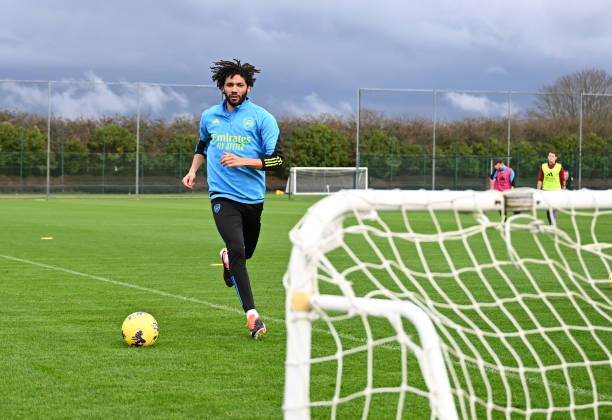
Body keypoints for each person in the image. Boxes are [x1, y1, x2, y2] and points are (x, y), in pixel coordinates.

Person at [182, 59, 283, 339]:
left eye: (240, 84)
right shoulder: (209, 117)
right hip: (221, 195)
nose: (235, 89)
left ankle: (229, 260)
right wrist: (192, 171)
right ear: (222, 87)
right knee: (238, 249)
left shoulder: (263, 118)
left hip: (252, 199)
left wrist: (244, 161)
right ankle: (252, 316)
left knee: (244, 254)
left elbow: (277, 161)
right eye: (230, 85)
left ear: (248, 87)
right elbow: (202, 145)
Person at [536, 151, 566, 225]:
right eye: (549, 156)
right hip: (545, 191)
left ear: (556, 158)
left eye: (552, 156)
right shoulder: (543, 166)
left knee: (554, 208)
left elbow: (563, 180)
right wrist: (538, 190)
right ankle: (551, 223)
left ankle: (553, 225)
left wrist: (564, 189)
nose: (550, 158)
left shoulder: (559, 167)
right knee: (548, 209)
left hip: (556, 191)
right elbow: (540, 179)